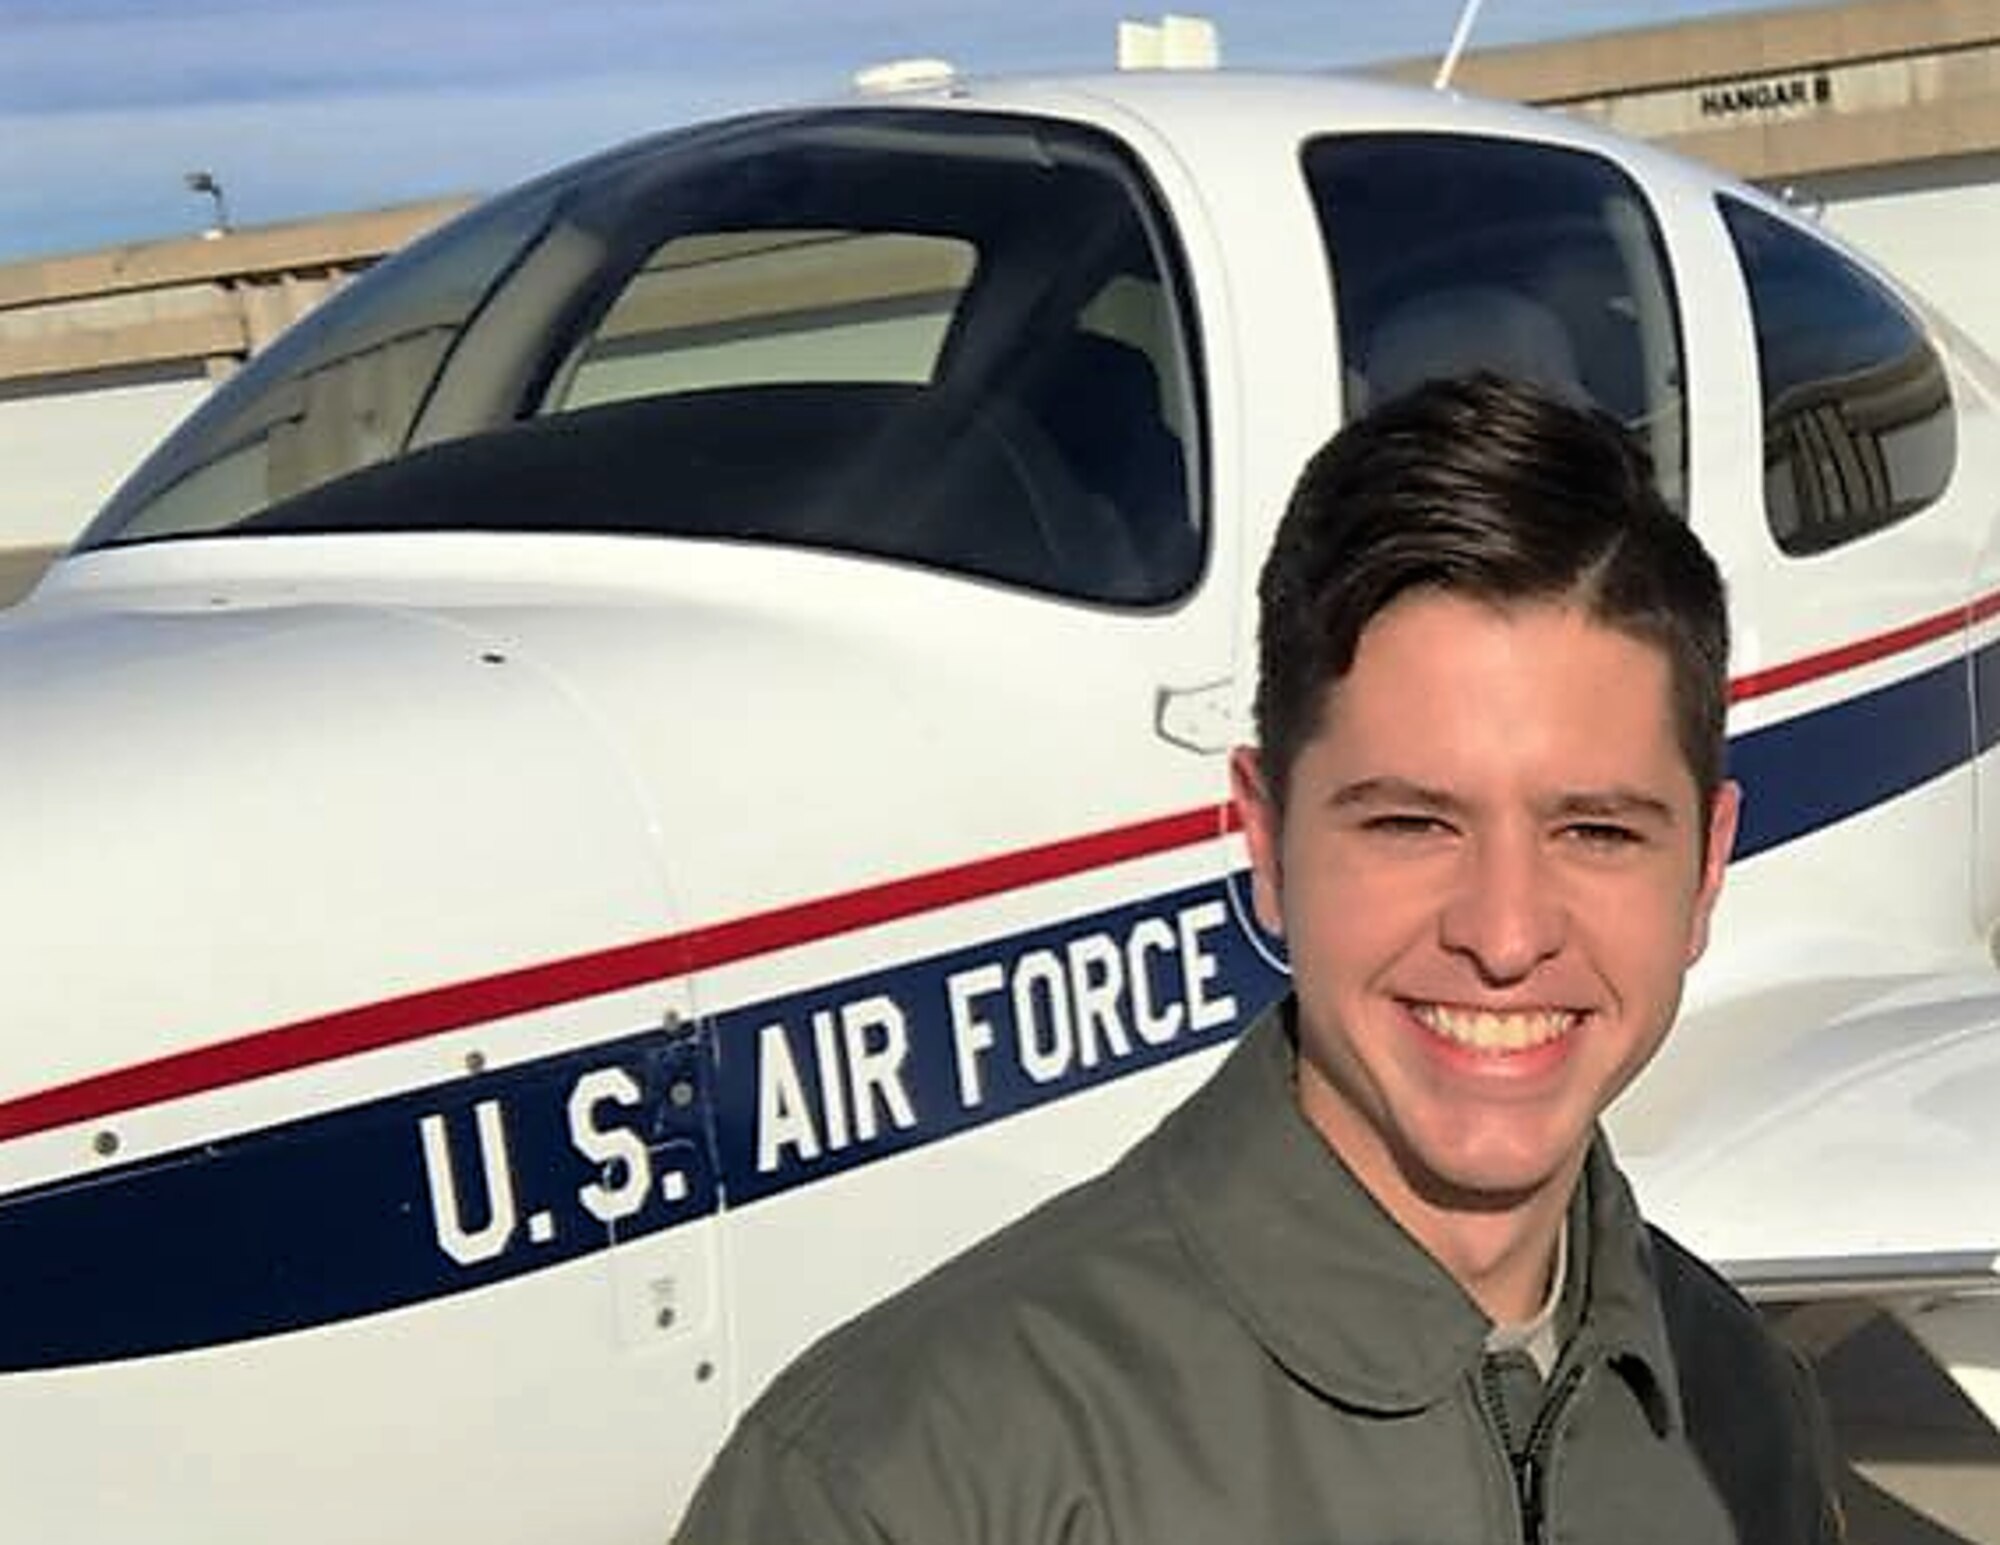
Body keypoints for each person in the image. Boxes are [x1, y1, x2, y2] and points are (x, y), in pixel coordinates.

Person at [673, 373, 1845, 1544]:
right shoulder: (906, 1486)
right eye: (1408, 823)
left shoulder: (1741, 1419)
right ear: (1265, 843)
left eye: (1594, 831)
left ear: (1702, 871)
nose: (1502, 935)